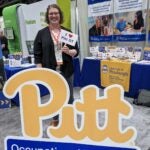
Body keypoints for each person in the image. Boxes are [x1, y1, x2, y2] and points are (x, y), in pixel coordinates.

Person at [33, 4, 79, 126]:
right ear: (48, 16)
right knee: (55, 96)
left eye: (56, 13)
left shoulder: (67, 32)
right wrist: (40, 69)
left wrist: (69, 51)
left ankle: (69, 119)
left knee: (69, 97)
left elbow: (76, 51)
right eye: (51, 13)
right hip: (50, 71)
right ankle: (56, 119)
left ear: (60, 15)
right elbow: (37, 54)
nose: (53, 15)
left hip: (67, 70)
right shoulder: (41, 33)